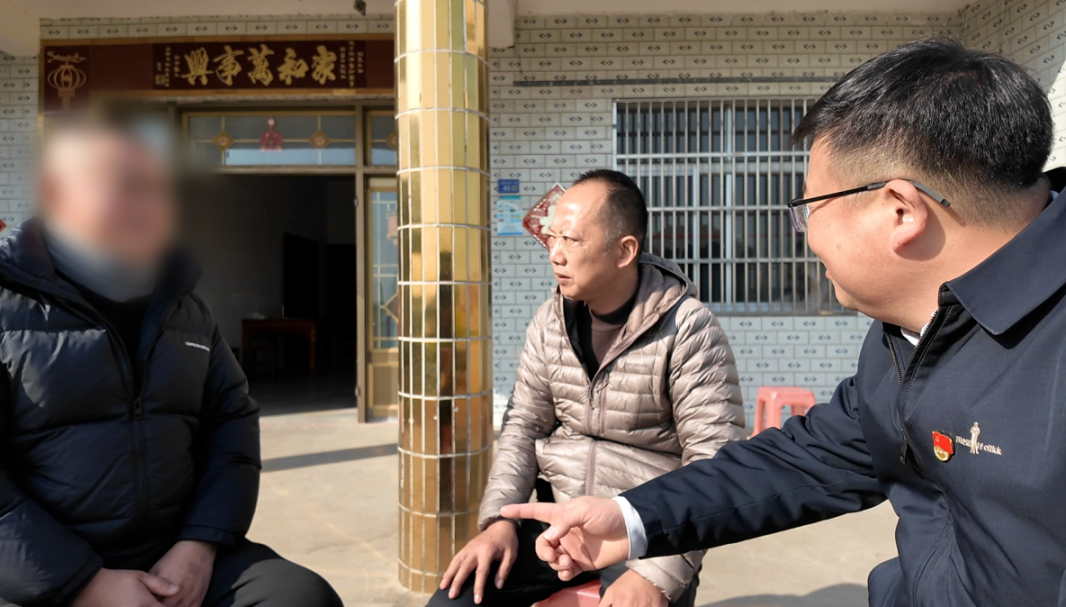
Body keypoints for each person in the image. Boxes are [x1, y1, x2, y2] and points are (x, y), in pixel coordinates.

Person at [502, 38, 1066, 607]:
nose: (805, 235)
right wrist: (632, 517)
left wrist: (654, 572)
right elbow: (811, 456)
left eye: (809, 207)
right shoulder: (908, 333)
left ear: (901, 211)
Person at [0, 123, 342, 607]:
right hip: (42, 572)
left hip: (174, 554)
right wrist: (88, 584)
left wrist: (199, 544)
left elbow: (231, 425)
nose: (153, 207)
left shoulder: (184, 308)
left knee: (300, 597)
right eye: (129, 185)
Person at [428, 169, 745, 607]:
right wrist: (500, 521)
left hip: (648, 530)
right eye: (552, 237)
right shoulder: (550, 321)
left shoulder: (688, 328)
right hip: (557, 520)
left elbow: (713, 459)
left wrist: (657, 574)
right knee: (457, 597)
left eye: (571, 240)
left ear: (624, 250)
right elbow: (524, 425)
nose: (555, 254)